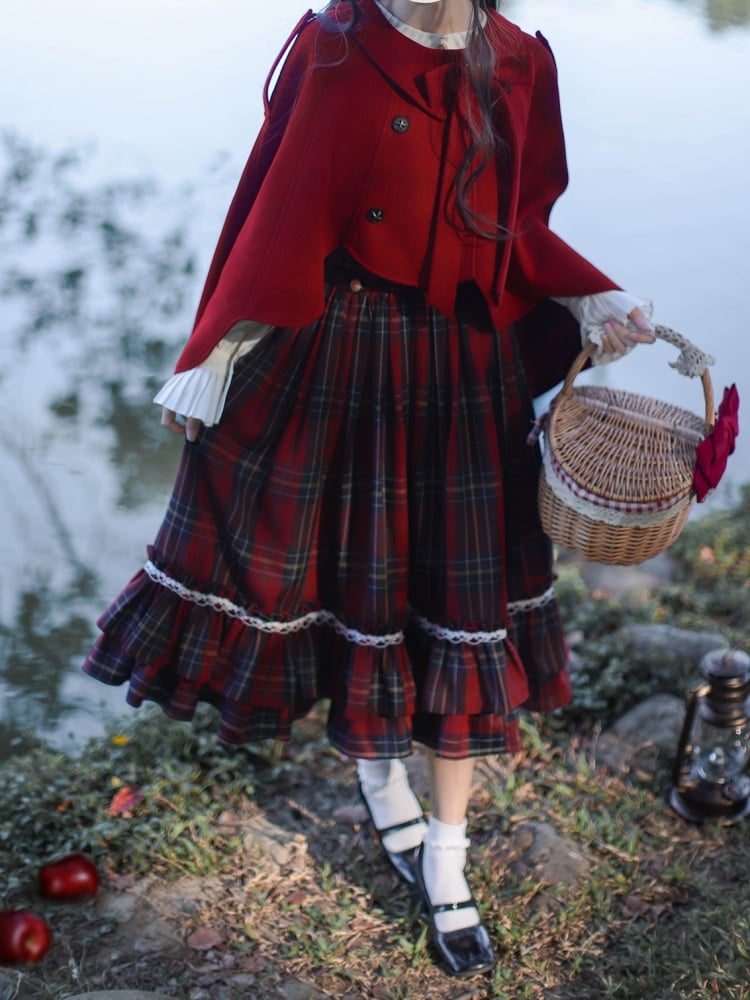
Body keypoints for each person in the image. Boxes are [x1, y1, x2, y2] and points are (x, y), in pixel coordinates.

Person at [82, 0, 655, 978]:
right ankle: (382, 780)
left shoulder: (517, 57)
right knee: (360, 590)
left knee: (457, 610)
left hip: (465, 368)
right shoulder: (334, 46)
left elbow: (518, 222)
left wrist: (587, 291)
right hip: (341, 352)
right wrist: (215, 351)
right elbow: (279, 210)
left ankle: (447, 852)